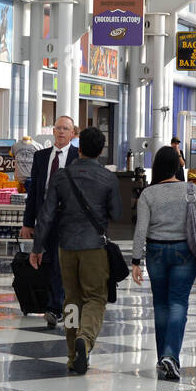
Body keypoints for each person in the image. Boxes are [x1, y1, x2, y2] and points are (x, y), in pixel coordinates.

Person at [30, 126, 121, 375]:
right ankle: (86, 338)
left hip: (66, 247)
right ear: (101, 151)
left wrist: (37, 247)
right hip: (94, 247)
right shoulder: (108, 178)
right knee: (95, 297)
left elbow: (46, 214)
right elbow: (116, 214)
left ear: (78, 147)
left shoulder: (61, 176)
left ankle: (73, 354)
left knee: (71, 301)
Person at [131, 146, 196, 380]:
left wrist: (136, 261)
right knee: (178, 303)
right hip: (185, 251)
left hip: (156, 251)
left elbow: (141, 229)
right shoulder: (191, 190)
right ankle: (170, 355)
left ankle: (164, 358)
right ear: (177, 166)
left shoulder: (148, 194)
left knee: (160, 304)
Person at [20, 116, 78, 330]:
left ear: (72, 134)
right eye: (58, 128)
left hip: (68, 219)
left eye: (66, 129)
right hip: (45, 216)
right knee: (46, 260)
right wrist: (28, 222)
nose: (61, 132)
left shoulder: (76, 157)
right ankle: (51, 303)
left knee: (60, 262)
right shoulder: (41, 156)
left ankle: (55, 307)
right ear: (53, 131)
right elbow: (34, 191)